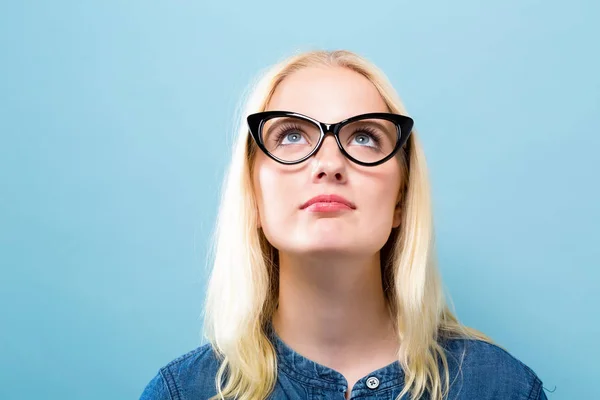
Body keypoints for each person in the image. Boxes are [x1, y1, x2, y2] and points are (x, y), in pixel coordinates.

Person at [139, 49, 548, 400]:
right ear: (253, 196)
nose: (330, 164)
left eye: (365, 137)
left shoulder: (501, 387)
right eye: (291, 135)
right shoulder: (184, 391)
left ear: (401, 199)